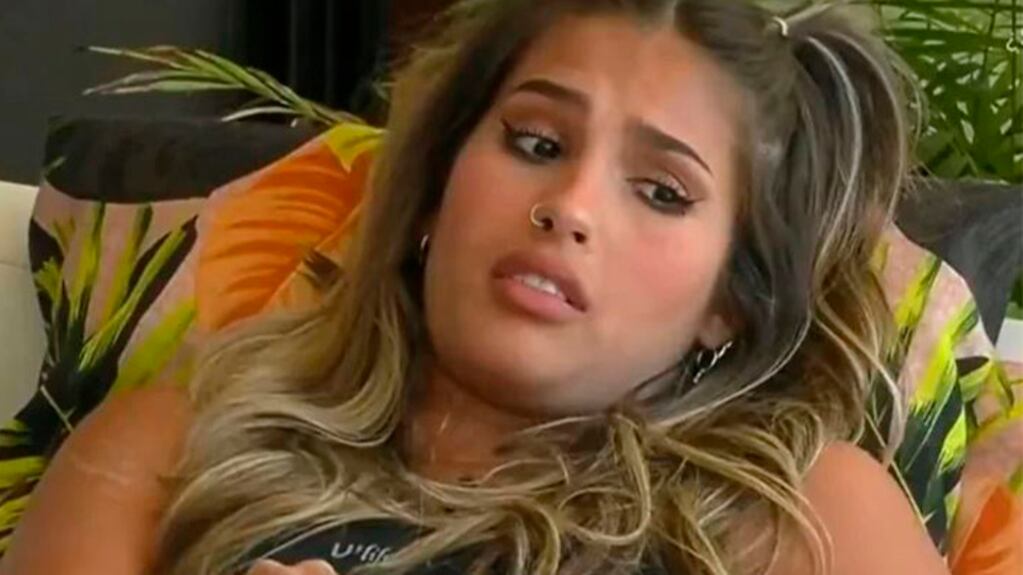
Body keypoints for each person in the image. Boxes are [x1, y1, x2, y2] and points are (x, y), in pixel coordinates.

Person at [3, 1, 951, 574]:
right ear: (433, 186)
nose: (569, 205)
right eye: (535, 143)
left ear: (726, 301)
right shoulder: (168, 449)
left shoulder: (804, 514)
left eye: (662, 191)